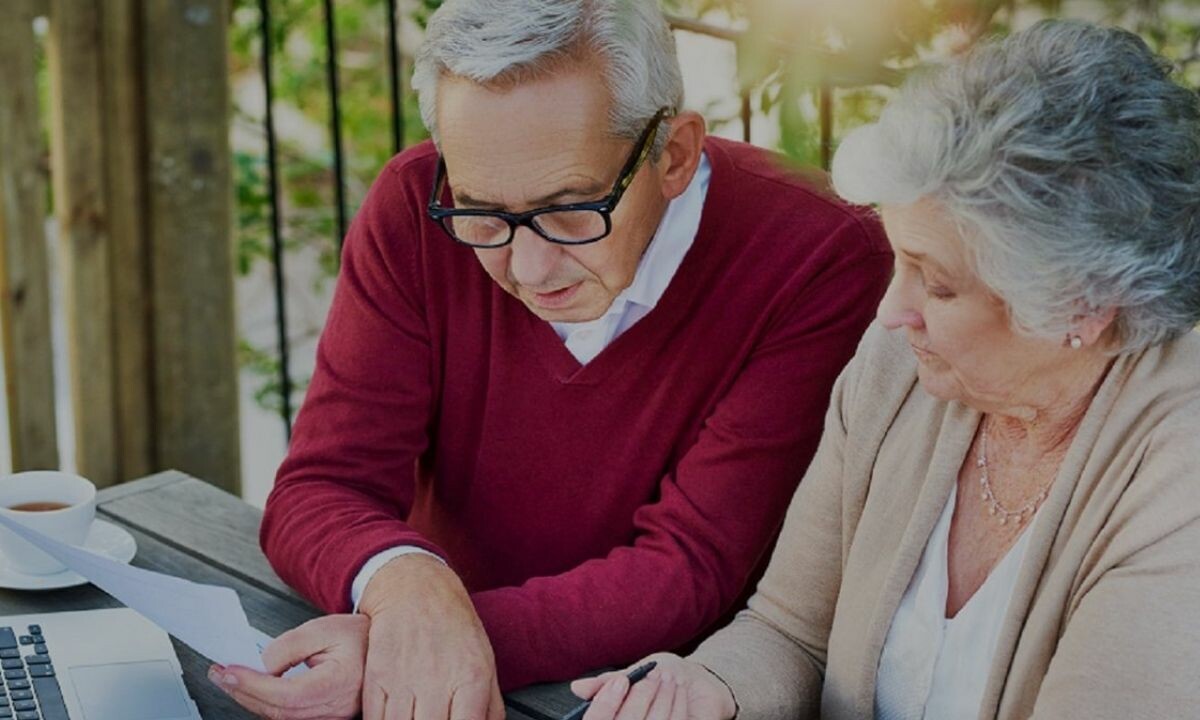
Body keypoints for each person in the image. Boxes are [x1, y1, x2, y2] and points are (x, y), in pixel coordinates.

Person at [207, 1, 892, 718]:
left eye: (571, 209)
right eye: (482, 213)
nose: (528, 269)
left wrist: (421, 643)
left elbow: (688, 568)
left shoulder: (820, 255)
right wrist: (406, 587)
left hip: (647, 697)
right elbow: (320, 487)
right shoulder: (416, 205)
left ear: (675, 155)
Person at [571, 19, 1200, 720]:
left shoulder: (1179, 465)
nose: (892, 309)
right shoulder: (902, 368)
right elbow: (789, 629)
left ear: (1082, 306)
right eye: (899, 258)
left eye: (938, 284)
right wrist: (704, 690)